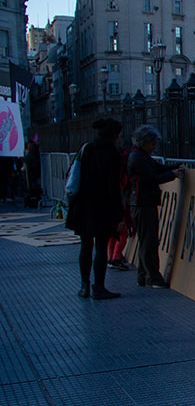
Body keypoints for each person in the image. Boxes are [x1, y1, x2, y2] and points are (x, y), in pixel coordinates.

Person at [65, 118, 127, 299]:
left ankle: (84, 286)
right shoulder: (113, 153)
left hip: (83, 205)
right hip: (102, 206)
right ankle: (99, 287)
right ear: (114, 135)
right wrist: (118, 215)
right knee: (100, 246)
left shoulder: (87, 148)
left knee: (85, 246)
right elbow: (113, 187)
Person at [127, 125, 184, 289]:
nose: (154, 146)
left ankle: (143, 276)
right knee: (149, 242)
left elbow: (158, 168)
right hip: (142, 203)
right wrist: (173, 174)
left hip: (142, 203)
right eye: (153, 143)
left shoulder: (140, 156)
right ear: (145, 143)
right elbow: (152, 177)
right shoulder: (138, 158)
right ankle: (153, 278)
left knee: (146, 241)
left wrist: (174, 167)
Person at [107, 137, 134, 271]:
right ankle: (116, 258)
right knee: (122, 233)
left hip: (108, 205)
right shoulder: (122, 177)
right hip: (119, 207)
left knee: (113, 233)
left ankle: (111, 257)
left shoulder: (109, 173)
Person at [22, 141, 42, 208]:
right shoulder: (35, 154)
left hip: (32, 174)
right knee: (35, 187)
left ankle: (32, 201)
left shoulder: (31, 154)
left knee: (32, 187)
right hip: (35, 174)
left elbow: (26, 161)